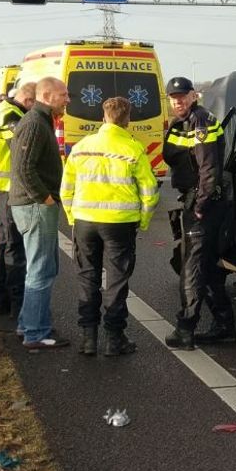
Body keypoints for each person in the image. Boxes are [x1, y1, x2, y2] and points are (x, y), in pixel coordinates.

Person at [60, 96, 159, 356]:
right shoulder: (133, 148)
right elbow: (149, 191)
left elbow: (66, 188)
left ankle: (88, 338)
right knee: (116, 280)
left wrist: (72, 216)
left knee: (87, 277)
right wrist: (144, 220)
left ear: (103, 117)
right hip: (119, 224)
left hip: (84, 222)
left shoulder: (82, 147)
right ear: (128, 119)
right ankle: (114, 339)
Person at [161, 77, 234, 350]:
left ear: (193, 96)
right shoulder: (181, 123)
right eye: (173, 98)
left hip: (204, 204)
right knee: (208, 266)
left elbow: (209, 169)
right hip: (197, 200)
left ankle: (185, 328)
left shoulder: (199, 122)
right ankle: (224, 325)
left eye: (182, 96)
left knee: (191, 266)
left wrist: (200, 205)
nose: (178, 101)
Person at [9, 77, 70, 349]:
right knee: (41, 270)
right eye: (63, 95)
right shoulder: (35, 123)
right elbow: (24, 168)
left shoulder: (41, 120)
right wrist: (44, 198)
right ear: (47, 95)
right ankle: (36, 332)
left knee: (41, 267)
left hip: (34, 205)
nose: (68, 99)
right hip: (34, 206)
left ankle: (29, 323)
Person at [0, 84, 35, 319]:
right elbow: (21, 148)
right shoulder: (11, 115)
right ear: (29, 100)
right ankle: (16, 306)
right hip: (8, 188)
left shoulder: (0, 108)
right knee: (13, 246)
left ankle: (0, 299)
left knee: (2, 241)